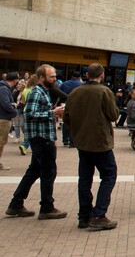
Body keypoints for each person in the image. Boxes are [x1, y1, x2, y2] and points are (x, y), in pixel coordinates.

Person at [6, 64, 68, 220]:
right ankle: (47, 207)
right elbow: (30, 114)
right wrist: (53, 112)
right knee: (48, 172)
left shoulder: (44, 92)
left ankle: (16, 203)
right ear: (41, 77)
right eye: (51, 76)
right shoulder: (36, 92)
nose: (54, 79)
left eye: (54, 76)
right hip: (41, 139)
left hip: (43, 137)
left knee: (33, 171)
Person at [63, 63, 120, 230]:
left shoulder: (75, 92)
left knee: (85, 178)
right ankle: (98, 214)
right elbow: (113, 114)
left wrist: (77, 131)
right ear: (102, 75)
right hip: (100, 141)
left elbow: (67, 116)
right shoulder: (104, 91)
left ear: (87, 75)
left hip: (82, 141)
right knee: (109, 175)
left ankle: (84, 215)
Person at [0, 72, 20, 170]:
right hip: (3, 118)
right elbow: (6, 104)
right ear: (15, 80)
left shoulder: (5, 88)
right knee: (1, 141)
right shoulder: (4, 89)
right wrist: (14, 111)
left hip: (4, 117)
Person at [59, 70, 84, 147]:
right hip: (77, 105)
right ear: (79, 77)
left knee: (65, 122)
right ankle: (72, 140)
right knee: (74, 122)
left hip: (65, 104)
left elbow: (59, 93)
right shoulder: (82, 85)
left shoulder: (64, 84)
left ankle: (65, 139)